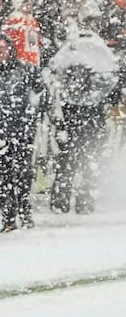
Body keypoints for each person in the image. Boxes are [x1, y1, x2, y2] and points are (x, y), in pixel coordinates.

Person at [45, 19, 120, 215]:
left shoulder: (100, 75)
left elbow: (112, 91)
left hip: (90, 121)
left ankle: (82, 201)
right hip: (73, 121)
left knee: (88, 163)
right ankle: (64, 201)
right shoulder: (68, 75)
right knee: (69, 163)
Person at [0, 33, 44, 231]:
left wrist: (28, 118)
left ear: (10, 49)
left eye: (3, 48)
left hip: (22, 132)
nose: (0, 52)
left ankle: (24, 212)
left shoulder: (26, 70)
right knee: (1, 177)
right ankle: (8, 217)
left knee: (22, 174)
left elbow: (39, 95)